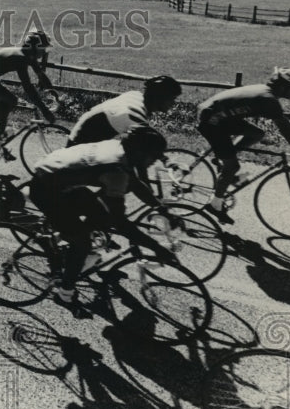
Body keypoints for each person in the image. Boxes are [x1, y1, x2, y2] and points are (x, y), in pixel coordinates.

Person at [27, 126, 180, 306]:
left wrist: (162, 209)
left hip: (57, 177)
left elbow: (136, 184)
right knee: (82, 242)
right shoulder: (116, 170)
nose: (154, 161)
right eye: (153, 156)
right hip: (46, 189)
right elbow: (121, 223)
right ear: (139, 152)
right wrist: (156, 247)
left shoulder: (119, 148)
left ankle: (58, 239)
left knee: (101, 215)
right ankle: (64, 294)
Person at [197, 67, 290, 223]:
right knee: (232, 167)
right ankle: (215, 205)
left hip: (219, 116)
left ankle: (223, 160)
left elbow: (285, 125)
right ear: (284, 87)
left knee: (257, 133)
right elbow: (286, 131)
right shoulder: (268, 99)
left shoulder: (268, 94)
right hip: (212, 121)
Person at [0, 30, 56, 150]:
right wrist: (44, 110)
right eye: (43, 48)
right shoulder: (20, 58)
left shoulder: (28, 55)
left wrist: (54, 94)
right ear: (34, 48)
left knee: (6, 104)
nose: (44, 52)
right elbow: (28, 88)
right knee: (11, 101)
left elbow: (41, 76)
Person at [67, 75, 182, 145]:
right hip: (79, 147)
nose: (173, 103)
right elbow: (142, 150)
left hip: (80, 137)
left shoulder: (136, 95)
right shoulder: (135, 116)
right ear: (159, 98)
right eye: (171, 98)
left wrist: (165, 160)